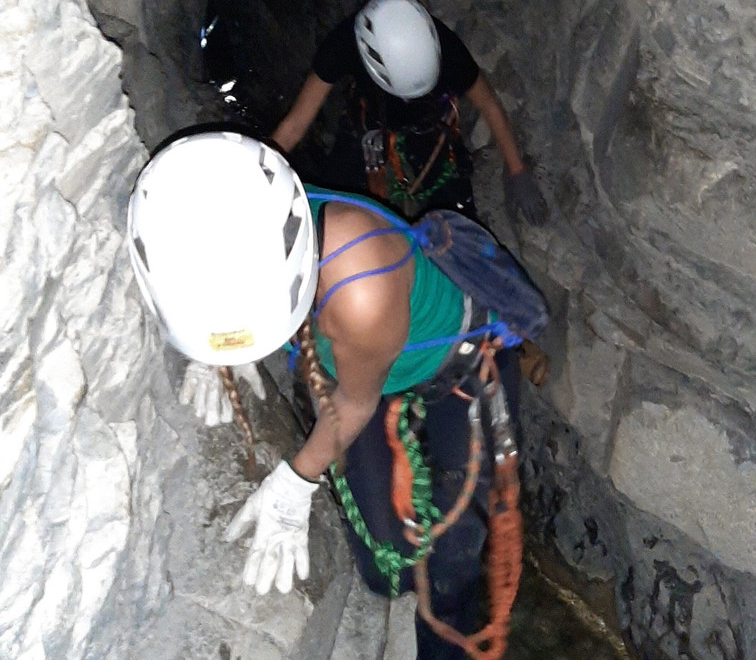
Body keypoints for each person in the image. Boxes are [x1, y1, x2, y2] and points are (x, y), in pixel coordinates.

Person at [126, 129, 525, 660]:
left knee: (449, 566)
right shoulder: (238, 213)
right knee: (388, 571)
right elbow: (215, 266)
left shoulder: (359, 283)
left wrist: (295, 482)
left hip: (462, 369)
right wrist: (214, 348)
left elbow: (357, 403)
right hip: (361, 369)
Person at [271, 0, 548, 224]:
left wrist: (517, 170)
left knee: (458, 219)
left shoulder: (449, 51)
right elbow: (295, 125)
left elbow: (488, 104)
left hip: (431, 128)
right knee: (330, 212)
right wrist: (259, 172)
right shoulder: (343, 45)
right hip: (370, 123)